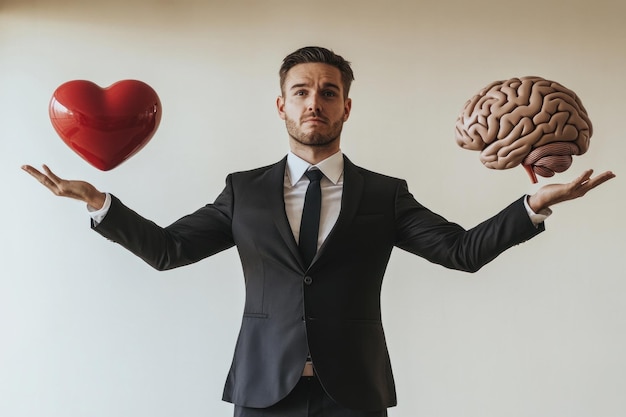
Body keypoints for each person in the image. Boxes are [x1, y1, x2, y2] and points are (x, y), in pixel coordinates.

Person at [22, 46, 615, 417]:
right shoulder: (244, 191)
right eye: (301, 92)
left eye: (328, 93)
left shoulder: (384, 195)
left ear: (346, 108)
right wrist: (101, 203)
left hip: (353, 393)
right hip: (262, 391)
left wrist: (533, 205)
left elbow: (460, 252)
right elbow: (171, 251)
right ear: (280, 105)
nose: (315, 103)